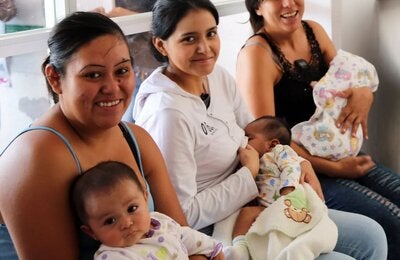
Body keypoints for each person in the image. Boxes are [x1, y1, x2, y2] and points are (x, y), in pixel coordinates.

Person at [132, 0, 387, 259]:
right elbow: (184, 215)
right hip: (220, 225)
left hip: (260, 195)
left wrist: (299, 162)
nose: (205, 48)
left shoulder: (215, 76)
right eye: (189, 39)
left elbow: (254, 131)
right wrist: (248, 175)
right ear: (161, 44)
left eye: (211, 34)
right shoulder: (168, 114)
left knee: (372, 235)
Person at [0, 11, 203, 260]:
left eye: (121, 71)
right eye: (93, 75)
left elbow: (182, 239)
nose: (111, 87)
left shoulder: (137, 140)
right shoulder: (36, 158)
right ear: (55, 78)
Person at [236, 0, 399, 259]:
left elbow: (348, 77)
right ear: (257, 7)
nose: (289, 3)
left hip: (339, 154)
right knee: (392, 223)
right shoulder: (256, 55)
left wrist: (364, 93)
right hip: (300, 172)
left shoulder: (313, 30)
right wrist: (336, 169)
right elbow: (268, 146)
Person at [229, 115, 338, 259]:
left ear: (272, 144)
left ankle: (298, 250)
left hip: (289, 201)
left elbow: (291, 167)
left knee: (305, 229)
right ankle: (240, 247)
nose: (244, 143)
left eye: (249, 138)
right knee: (246, 213)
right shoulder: (251, 160)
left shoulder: (279, 152)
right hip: (268, 207)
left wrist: (288, 192)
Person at [71, 161, 224, 260]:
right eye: (110, 221)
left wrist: (213, 249)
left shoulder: (160, 222)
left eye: (132, 209)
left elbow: (186, 236)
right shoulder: (113, 257)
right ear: (91, 232)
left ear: (145, 198)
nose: (126, 222)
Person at [291, 49, 379, 161]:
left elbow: (341, 69)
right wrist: (334, 169)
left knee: (394, 179)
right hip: (305, 159)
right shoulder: (263, 53)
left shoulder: (313, 33)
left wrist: (366, 93)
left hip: (349, 151)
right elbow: (271, 136)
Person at [93, 0, 162, 123]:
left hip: (156, 72)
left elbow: (175, 25)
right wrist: (96, 21)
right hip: (129, 70)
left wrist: (132, 18)